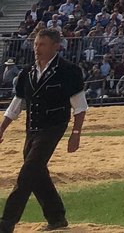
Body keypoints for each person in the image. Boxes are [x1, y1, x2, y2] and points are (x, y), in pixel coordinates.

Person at [0, 27, 87, 233]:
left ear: (55, 46)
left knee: (27, 173)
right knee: (37, 173)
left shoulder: (69, 71)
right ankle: (56, 217)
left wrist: (75, 134)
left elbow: (80, 106)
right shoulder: (27, 72)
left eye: (42, 45)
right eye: (36, 44)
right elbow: (17, 104)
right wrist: (2, 128)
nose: (37, 48)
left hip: (53, 127)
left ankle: (6, 222)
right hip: (32, 128)